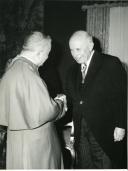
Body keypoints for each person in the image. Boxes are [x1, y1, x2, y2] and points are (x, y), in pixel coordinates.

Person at [0, 31, 67, 169]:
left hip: (15, 139)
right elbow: (46, 111)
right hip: (36, 143)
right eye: (47, 54)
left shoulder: (10, 70)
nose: (47, 58)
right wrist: (60, 103)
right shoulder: (30, 74)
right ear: (39, 52)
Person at [65, 30, 127, 169]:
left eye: (78, 49)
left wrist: (121, 125)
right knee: (85, 165)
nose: (75, 54)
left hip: (104, 130)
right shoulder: (71, 71)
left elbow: (121, 96)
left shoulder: (110, 63)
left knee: (104, 165)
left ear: (91, 45)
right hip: (80, 131)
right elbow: (71, 100)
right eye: (72, 50)